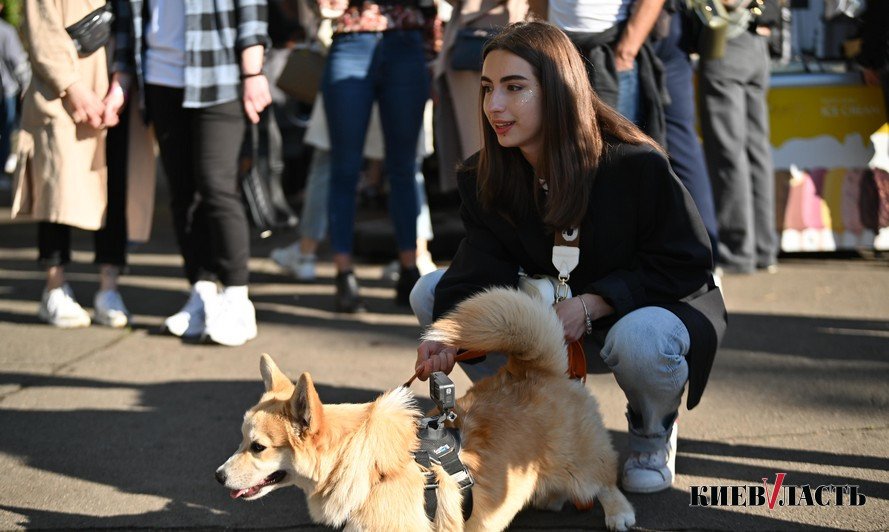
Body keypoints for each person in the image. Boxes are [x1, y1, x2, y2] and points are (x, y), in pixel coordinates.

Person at [409, 21, 726, 494]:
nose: (494, 105)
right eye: (488, 88)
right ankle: (529, 421)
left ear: (558, 89)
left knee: (642, 339)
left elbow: (686, 265)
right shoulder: (484, 175)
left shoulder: (634, 164)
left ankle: (651, 430)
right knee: (432, 294)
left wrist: (596, 302)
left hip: (632, 317)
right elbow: (478, 267)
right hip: (547, 329)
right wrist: (448, 336)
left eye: (515, 88)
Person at [112, 0, 272, 346]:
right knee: (182, 193)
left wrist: (253, 73)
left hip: (220, 77)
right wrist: (121, 78)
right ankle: (201, 294)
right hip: (159, 78)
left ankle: (236, 298)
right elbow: (127, 17)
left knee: (216, 186)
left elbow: (251, 12)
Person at [11, 0, 138, 329]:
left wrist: (120, 87)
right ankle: (54, 287)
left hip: (116, 93)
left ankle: (109, 287)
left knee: (115, 189)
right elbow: (42, 34)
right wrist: (74, 89)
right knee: (56, 190)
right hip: (60, 95)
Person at [321, 0, 437, 312]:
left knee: (404, 166)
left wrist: (432, 55)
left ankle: (409, 268)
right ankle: (344, 273)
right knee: (345, 167)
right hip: (351, 40)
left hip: (407, 40)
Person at [698, 0, 780, 274]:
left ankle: (737, 251)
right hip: (756, 44)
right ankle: (762, 249)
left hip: (728, 42)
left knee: (728, 153)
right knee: (756, 152)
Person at [652, 1, 720, 263]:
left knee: (635, 146)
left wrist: (627, 47)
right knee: (683, 143)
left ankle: (703, 254)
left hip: (648, 31)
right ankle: (706, 254)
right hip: (671, 28)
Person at [546, 0, 667, 144]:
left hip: (610, 54)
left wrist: (625, 54)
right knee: (560, 143)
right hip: (560, 51)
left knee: (617, 146)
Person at [0, 1, 29, 174]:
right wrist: (26, 85)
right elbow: (18, 62)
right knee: (6, 130)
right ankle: (2, 169)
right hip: (7, 91)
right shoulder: (6, 31)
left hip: (6, 90)